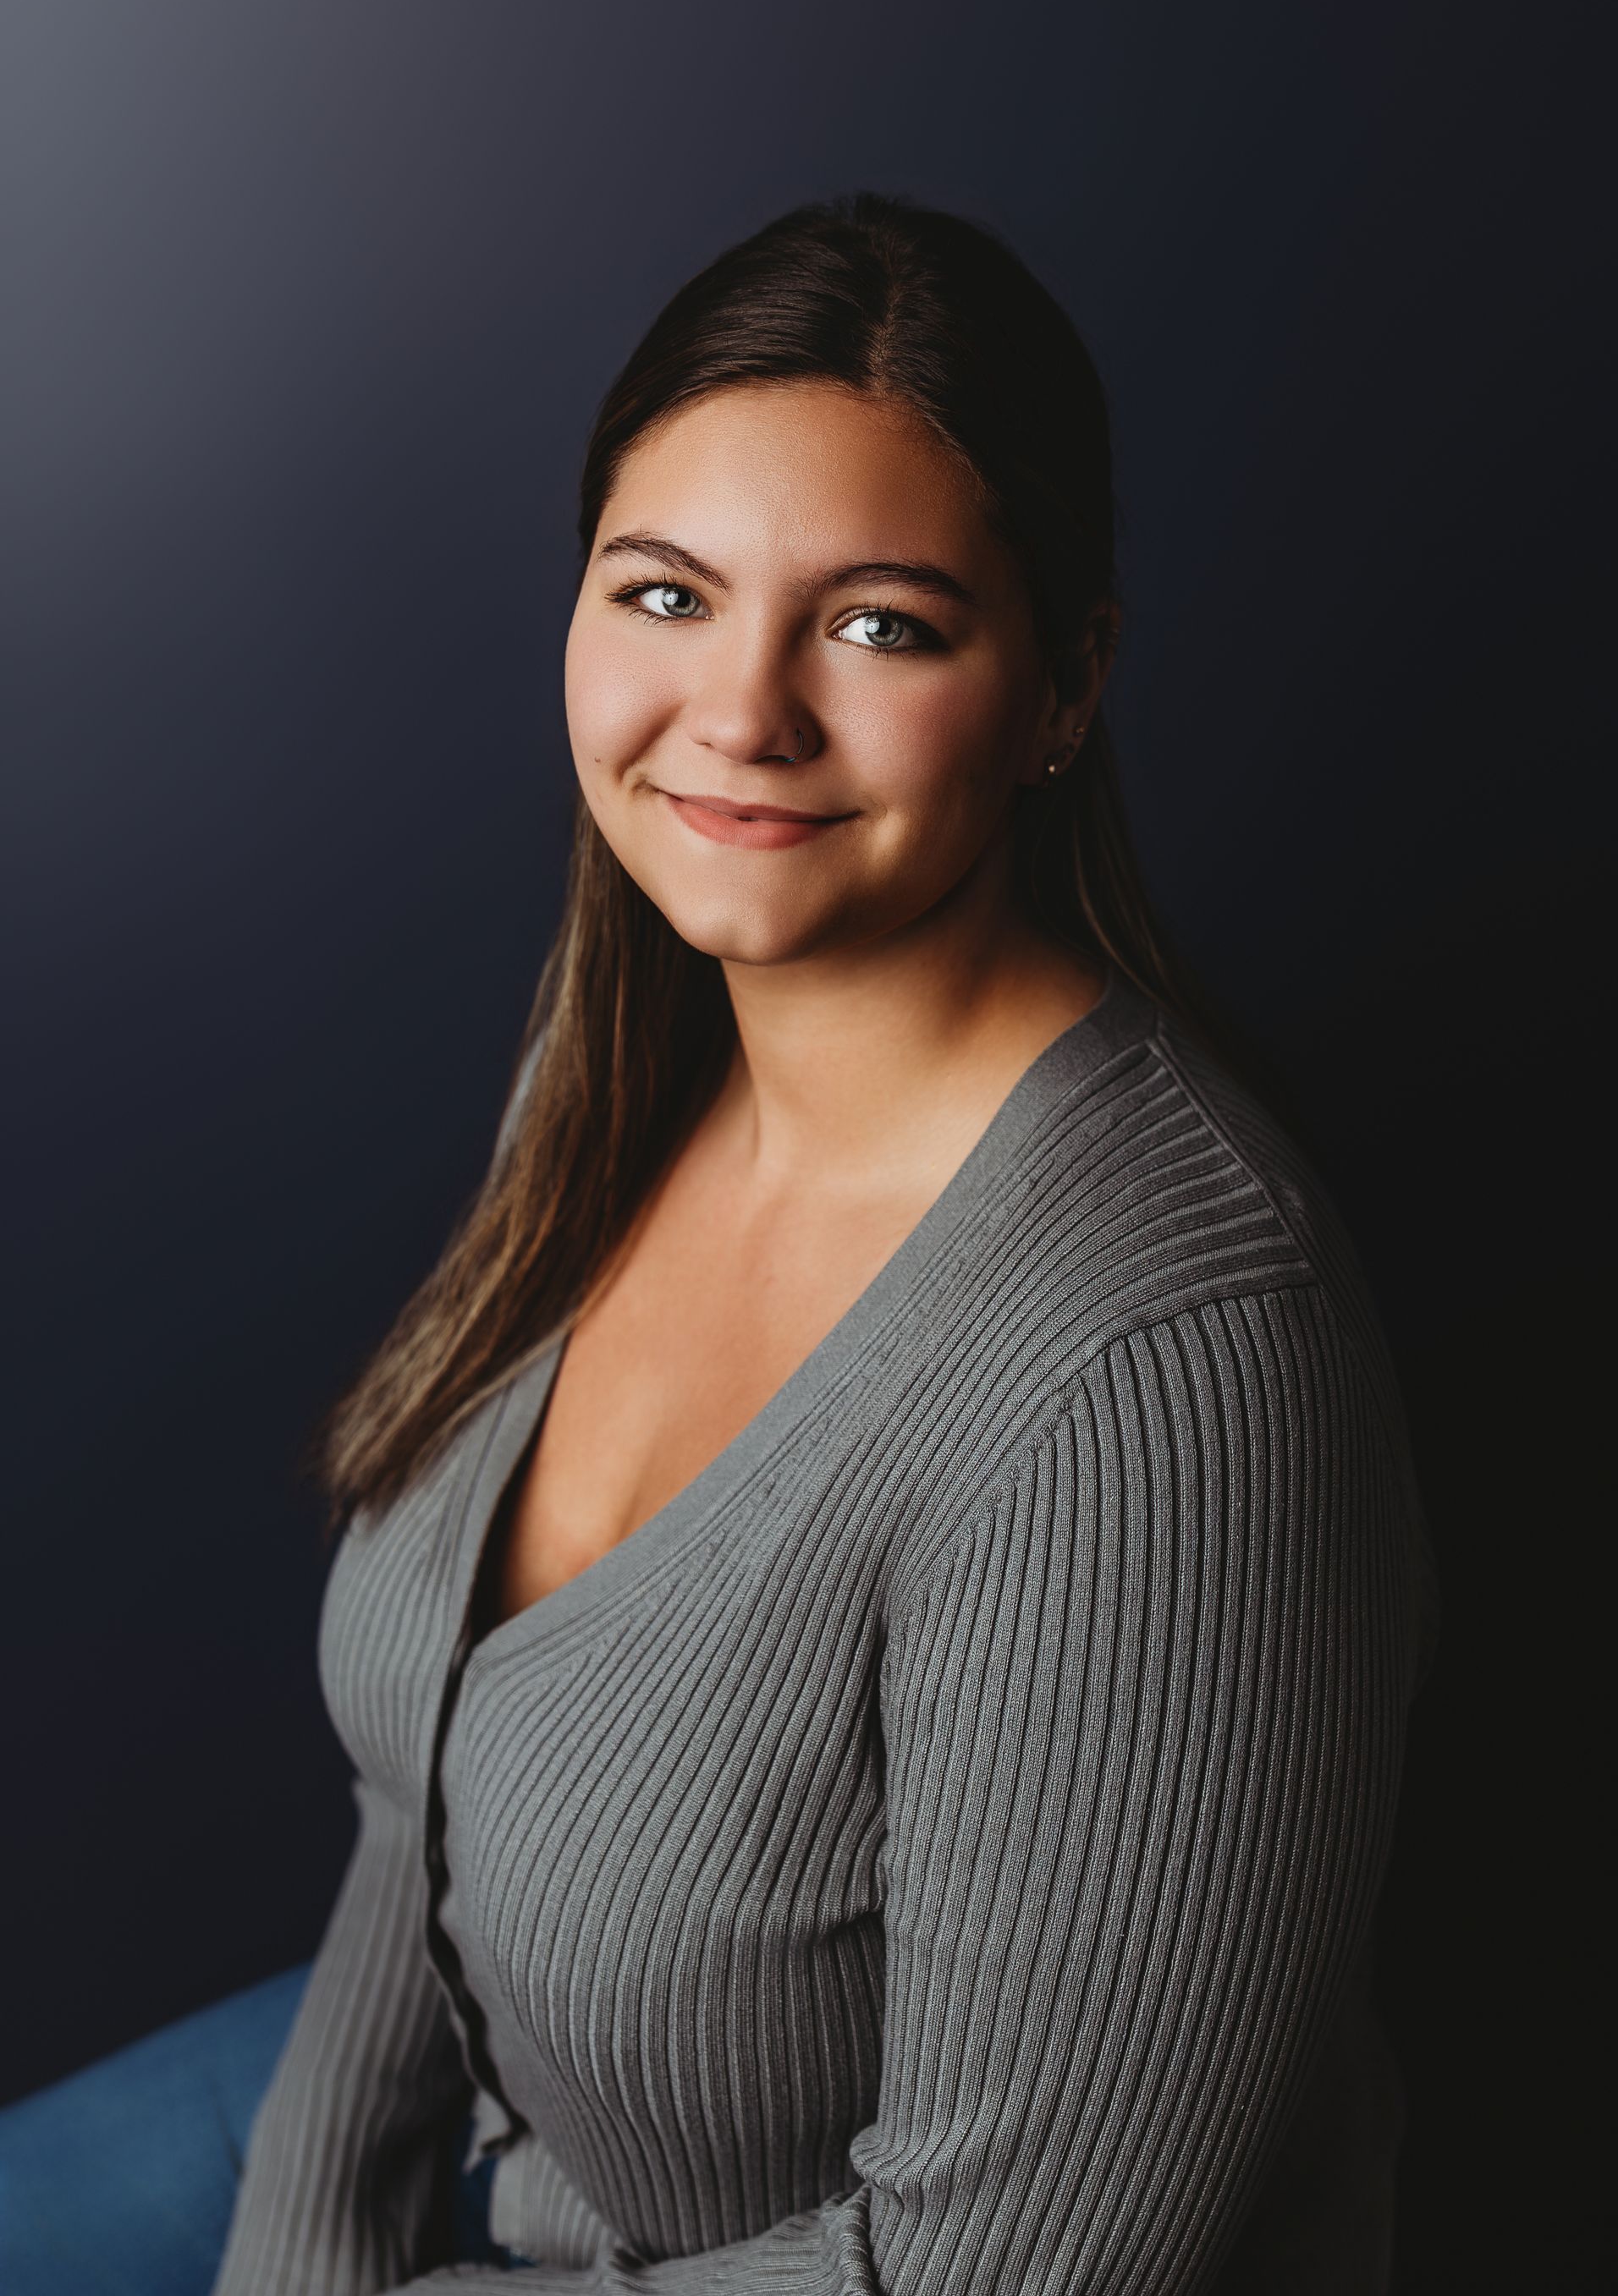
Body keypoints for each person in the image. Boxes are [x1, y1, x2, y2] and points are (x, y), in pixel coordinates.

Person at [0, 191, 1435, 2295]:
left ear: (1063, 682)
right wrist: (301, 2258)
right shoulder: (634, 1070)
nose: (740, 713)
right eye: (665, 593)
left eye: (880, 624)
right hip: (510, 2137)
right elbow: (425, 1809)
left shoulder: (1168, 1368)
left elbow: (1008, 2271)